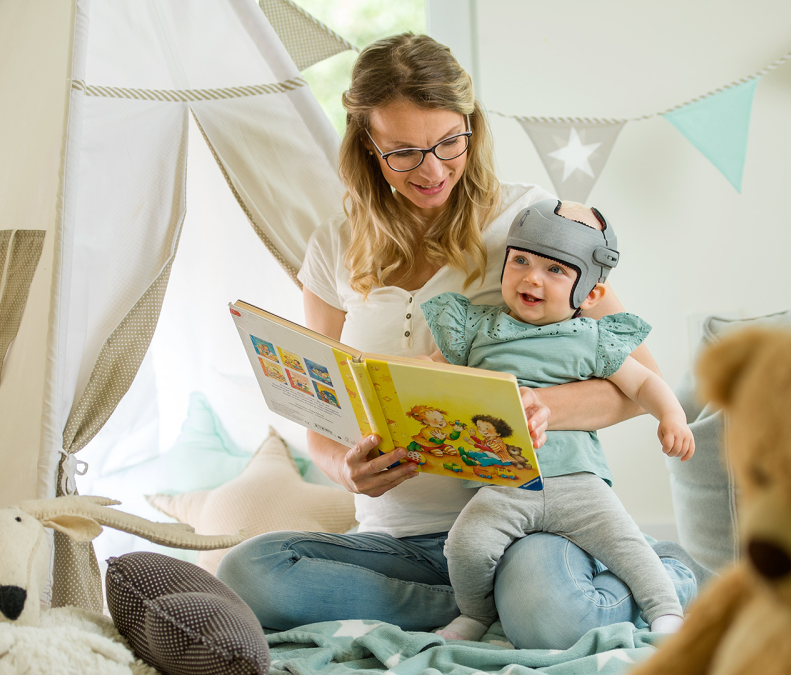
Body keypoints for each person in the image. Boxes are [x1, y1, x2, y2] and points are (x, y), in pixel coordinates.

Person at [216, 33, 701, 649]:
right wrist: (346, 469)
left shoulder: (532, 223)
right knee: (249, 573)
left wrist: (542, 407)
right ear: (369, 146)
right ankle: (486, 603)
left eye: (450, 142)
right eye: (405, 152)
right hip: (401, 542)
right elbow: (323, 410)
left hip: (527, 523)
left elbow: (637, 380)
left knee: (548, 614)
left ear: (471, 125)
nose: (434, 169)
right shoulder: (334, 245)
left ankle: (659, 578)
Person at [420, 198, 694, 642]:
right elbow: (429, 370)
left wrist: (673, 417)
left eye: (556, 270)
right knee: (465, 545)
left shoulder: (590, 337)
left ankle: (667, 612)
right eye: (521, 261)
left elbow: (644, 384)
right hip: (503, 484)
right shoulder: (477, 330)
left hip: (578, 484)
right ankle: (476, 615)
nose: (531, 277)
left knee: (628, 547)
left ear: (589, 294)